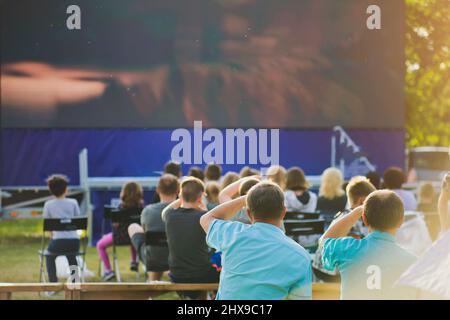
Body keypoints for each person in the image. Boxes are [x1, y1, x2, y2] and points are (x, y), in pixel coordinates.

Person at [200, 182, 312, 300]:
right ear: (283, 212)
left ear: (248, 213)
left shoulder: (232, 234)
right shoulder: (300, 256)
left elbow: (206, 218)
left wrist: (245, 199)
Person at [320, 190, 417, 299]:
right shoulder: (413, 264)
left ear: (364, 220)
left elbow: (324, 243)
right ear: (401, 221)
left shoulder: (348, 248)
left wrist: (356, 212)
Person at [162, 177, 219, 299]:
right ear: (200, 197)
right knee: (221, 261)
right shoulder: (203, 217)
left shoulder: (169, 215)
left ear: (180, 196)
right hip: (203, 275)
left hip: (177, 275)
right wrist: (204, 209)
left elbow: (167, 209)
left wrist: (182, 198)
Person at [313, 176, 376, 282]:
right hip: (332, 272)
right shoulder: (354, 220)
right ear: (363, 200)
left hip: (320, 268)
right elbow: (357, 249)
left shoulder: (343, 215)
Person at [128, 174, 179, 281]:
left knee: (133, 227)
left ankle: (153, 282)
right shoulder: (183, 211)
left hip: (152, 260)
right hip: (179, 258)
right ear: (178, 190)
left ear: (157, 190)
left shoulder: (147, 211)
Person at [97, 182, 143, 281]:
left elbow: (115, 225)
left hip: (119, 238)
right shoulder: (141, 207)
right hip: (135, 237)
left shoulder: (120, 208)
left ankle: (108, 271)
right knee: (133, 236)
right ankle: (134, 261)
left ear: (124, 193)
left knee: (100, 245)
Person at [43, 175, 81, 284]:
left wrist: (52, 237)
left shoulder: (48, 204)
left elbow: (47, 226)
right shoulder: (73, 202)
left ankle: (53, 283)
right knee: (72, 257)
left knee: (49, 257)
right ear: (65, 189)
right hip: (74, 242)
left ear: (51, 189)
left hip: (58, 241)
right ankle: (75, 281)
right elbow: (77, 221)